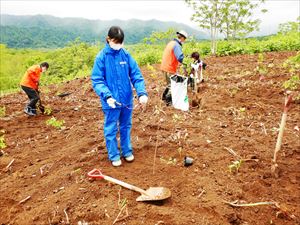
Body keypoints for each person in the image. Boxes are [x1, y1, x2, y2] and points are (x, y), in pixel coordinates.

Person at [91, 26, 148, 167]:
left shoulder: (125, 55)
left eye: (120, 42)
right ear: (108, 39)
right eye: (116, 42)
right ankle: (114, 155)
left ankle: (127, 151)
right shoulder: (101, 57)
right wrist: (107, 96)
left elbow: (136, 75)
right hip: (111, 101)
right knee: (110, 128)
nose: (118, 45)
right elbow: (97, 80)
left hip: (126, 99)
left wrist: (141, 93)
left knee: (125, 126)